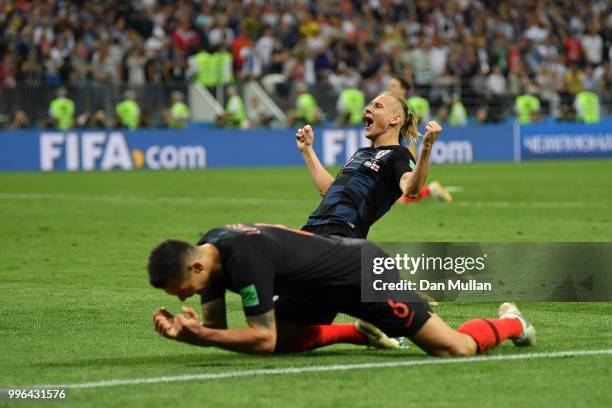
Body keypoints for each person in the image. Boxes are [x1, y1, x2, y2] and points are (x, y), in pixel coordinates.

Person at [149, 223, 536, 355]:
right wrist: (192, 335)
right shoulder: (207, 253)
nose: (185, 298)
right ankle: (358, 332)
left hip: (360, 271)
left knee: (453, 348)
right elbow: (218, 332)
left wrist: (198, 334)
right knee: (283, 343)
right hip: (312, 287)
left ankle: (512, 322)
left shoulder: (243, 260)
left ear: (195, 266)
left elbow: (259, 338)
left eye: (182, 290)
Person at [387, 76, 453, 204]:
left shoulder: (406, 110)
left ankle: (429, 190)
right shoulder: (392, 108)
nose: (390, 89)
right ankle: (430, 189)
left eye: (394, 86)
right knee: (394, 197)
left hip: (399, 157)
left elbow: (411, 136)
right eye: (390, 85)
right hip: (391, 156)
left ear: (403, 90)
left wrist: (410, 156)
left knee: (400, 198)